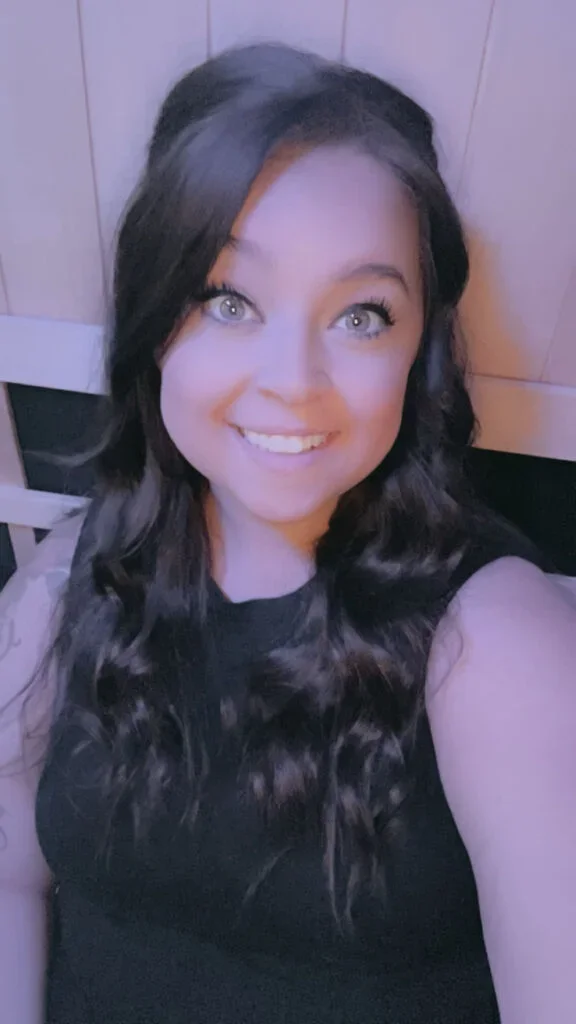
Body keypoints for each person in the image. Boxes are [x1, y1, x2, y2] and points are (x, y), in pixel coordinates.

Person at [0, 41, 575, 1024]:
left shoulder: (497, 647)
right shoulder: (62, 588)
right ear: (154, 319)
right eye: (229, 301)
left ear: (422, 354)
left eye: (362, 315)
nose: (293, 380)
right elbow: (10, 877)